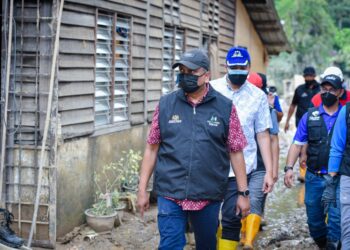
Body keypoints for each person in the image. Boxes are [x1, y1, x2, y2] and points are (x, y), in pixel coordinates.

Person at [137, 48, 250, 250]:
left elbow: (236, 150)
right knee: (170, 245)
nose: (185, 76)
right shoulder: (166, 104)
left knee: (206, 245)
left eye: (191, 72)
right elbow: (151, 149)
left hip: (208, 194)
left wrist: (243, 193)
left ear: (206, 76)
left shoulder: (225, 108)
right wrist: (142, 189)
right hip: (170, 192)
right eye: (182, 71)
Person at [210, 46, 274, 249]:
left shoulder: (258, 96)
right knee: (208, 218)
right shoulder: (211, 89)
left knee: (232, 217)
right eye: (234, 66)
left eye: (242, 66)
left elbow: (263, 135)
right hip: (210, 166)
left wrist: (270, 172)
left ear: (249, 67)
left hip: (242, 169)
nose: (238, 70)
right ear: (226, 66)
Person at [284, 72, 343, 249]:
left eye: (331, 89)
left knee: (336, 220)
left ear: (340, 92)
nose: (327, 93)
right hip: (314, 177)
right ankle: (325, 244)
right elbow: (297, 144)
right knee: (315, 223)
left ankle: (334, 244)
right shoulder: (310, 116)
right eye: (324, 89)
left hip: (339, 179)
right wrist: (288, 168)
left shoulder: (345, 116)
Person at [237, 72, 280, 249]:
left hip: (261, 163)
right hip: (240, 162)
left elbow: (273, 140)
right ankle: (244, 235)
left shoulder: (268, 110)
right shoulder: (236, 106)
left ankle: (247, 240)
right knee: (242, 199)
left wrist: (274, 169)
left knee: (255, 199)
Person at [284, 66, 320, 132]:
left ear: (314, 76)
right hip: (301, 122)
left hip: (317, 122)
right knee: (301, 142)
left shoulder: (321, 89)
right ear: (303, 76)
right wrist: (287, 121)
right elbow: (293, 105)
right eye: (307, 76)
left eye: (310, 76)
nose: (308, 78)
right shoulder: (299, 89)